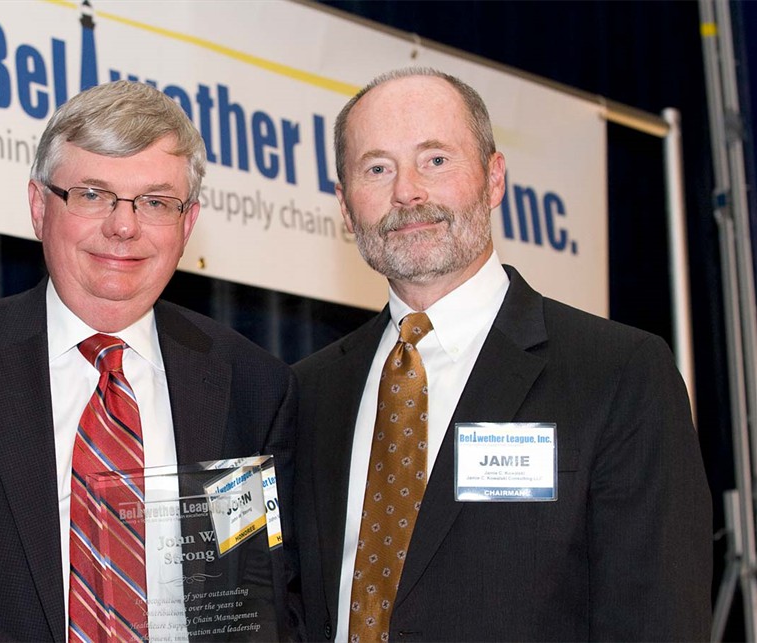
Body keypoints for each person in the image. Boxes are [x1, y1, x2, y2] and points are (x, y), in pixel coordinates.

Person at [0, 80, 297, 642]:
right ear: (40, 207)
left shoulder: (253, 385)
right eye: (93, 194)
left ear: (188, 224)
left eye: (156, 202)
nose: (123, 226)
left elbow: (269, 596)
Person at [292, 67, 712, 642]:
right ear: (344, 206)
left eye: (435, 160)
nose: (408, 191)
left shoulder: (619, 373)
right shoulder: (309, 392)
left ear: (494, 180)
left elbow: (658, 622)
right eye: (377, 168)